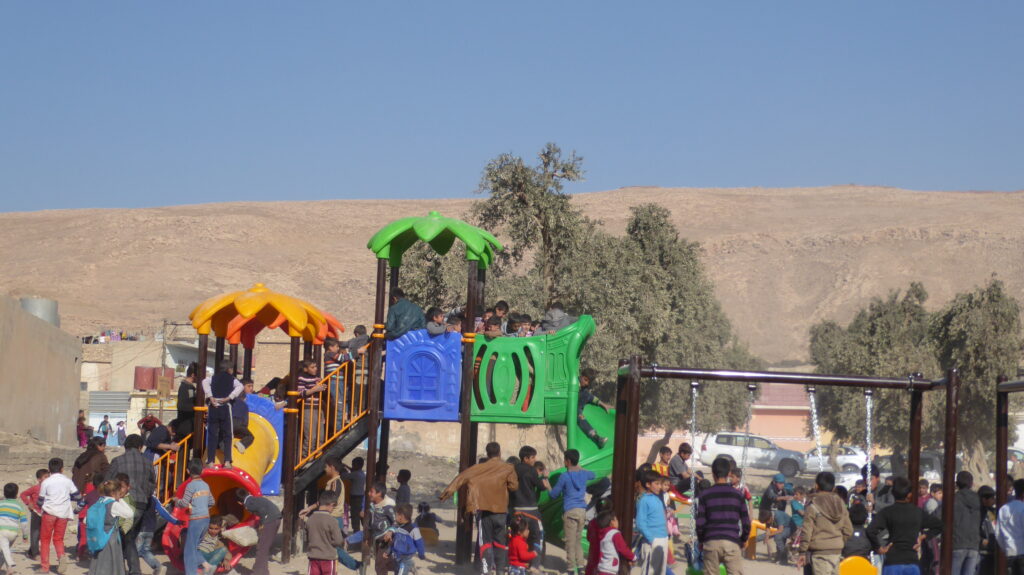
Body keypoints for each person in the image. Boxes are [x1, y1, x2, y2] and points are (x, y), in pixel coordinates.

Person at [439, 442, 518, 575]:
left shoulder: (478, 468)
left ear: (487, 454)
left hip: (484, 511)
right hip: (501, 512)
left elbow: (461, 478)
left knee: (485, 543)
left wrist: (445, 494)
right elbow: (514, 486)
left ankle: (486, 571)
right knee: (500, 543)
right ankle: (500, 571)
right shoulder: (508, 468)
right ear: (499, 453)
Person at [866, 476, 943, 575]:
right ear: (909, 494)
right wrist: (923, 537)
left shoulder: (887, 512)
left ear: (893, 493)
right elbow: (940, 525)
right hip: (912, 560)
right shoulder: (917, 512)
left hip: (892, 561)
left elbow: (870, 531)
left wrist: (879, 548)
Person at [107, 433, 157, 575]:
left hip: (122, 503)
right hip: (141, 504)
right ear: (140, 447)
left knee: (122, 536)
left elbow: (108, 481)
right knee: (129, 536)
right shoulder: (147, 462)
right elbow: (152, 483)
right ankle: (133, 570)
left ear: (125, 446)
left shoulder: (117, 461)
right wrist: (145, 495)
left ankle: (124, 569)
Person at [300, 458, 359, 571]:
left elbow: (328, 501)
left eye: (326, 467)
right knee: (332, 548)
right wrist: (310, 508)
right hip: (332, 518)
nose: (325, 469)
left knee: (335, 549)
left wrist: (310, 508)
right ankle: (356, 565)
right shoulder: (333, 482)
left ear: (332, 467)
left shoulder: (335, 483)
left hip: (333, 518)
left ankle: (356, 565)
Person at [696, 457, 750, 575]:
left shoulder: (705, 495)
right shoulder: (738, 495)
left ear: (713, 473)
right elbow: (746, 522)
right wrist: (742, 540)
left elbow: (700, 523)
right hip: (731, 541)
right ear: (729, 473)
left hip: (711, 541)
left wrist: (701, 540)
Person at [796, 472, 852, 575]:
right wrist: (837, 541)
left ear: (816, 486)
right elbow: (848, 530)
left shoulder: (813, 504)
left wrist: (802, 551)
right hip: (837, 552)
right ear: (833, 487)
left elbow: (807, 531)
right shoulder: (840, 504)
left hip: (820, 554)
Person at [549, 449, 595, 575]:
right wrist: (581, 468)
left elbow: (553, 495)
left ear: (568, 461)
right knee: (577, 541)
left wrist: (548, 486)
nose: (564, 461)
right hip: (582, 511)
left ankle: (570, 569)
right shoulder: (583, 474)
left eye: (564, 459)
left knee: (570, 542)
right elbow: (593, 475)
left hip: (570, 511)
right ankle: (580, 568)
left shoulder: (564, 476)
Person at [37, 457, 81, 574]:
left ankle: (45, 567)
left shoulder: (46, 482)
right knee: (58, 539)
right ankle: (61, 556)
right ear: (62, 469)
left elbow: (40, 501)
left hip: (49, 513)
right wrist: (66, 497)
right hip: (63, 514)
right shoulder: (67, 481)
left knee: (45, 540)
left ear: (49, 469)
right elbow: (78, 496)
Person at [509, 445, 550, 569]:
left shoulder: (513, 470)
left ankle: (518, 564)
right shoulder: (531, 470)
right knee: (537, 537)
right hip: (531, 511)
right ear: (525, 458)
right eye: (532, 457)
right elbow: (541, 486)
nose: (534, 460)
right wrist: (545, 477)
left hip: (516, 510)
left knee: (517, 538)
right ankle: (535, 566)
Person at [203, 360, 244, 469]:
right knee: (227, 434)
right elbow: (240, 386)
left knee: (212, 434)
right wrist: (230, 397)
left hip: (213, 406)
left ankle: (210, 461)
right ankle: (227, 461)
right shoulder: (232, 379)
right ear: (229, 369)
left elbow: (204, 382)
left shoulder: (213, 378)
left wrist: (210, 396)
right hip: (225, 406)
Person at [88, 479, 134, 575]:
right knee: (111, 565)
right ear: (114, 493)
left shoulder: (99, 502)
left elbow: (86, 519)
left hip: (99, 537)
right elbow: (130, 514)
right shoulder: (114, 504)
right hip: (110, 538)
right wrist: (120, 500)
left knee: (99, 563)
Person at [176, 459, 213, 575]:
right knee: (195, 547)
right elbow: (212, 502)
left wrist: (176, 501)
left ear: (188, 471)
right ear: (202, 471)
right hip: (206, 519)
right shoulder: (206, 485)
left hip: (196, 520)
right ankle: (206, 565)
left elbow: (184, 503)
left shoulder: (190, 485)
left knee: (189, 551)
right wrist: (203, 507)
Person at [235, 489, 282, 575]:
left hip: (270, 520)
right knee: (265, 546)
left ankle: (259, 572)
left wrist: (262, 524)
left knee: (262, 548)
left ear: (239, 503)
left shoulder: (248, 504)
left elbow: (262, 511)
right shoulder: (255, 499)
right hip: (276, 518)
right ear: (248, 493)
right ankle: (261, 569)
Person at [306, 491, 350, 575]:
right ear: (331, 505)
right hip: (328, 558)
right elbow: (338, 541)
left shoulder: (310, 519)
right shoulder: (332, 521)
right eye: (334, 507)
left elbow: (308, 538)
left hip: (313, 557)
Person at [636, 469, 669, 575]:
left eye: (660, 484)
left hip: (663, 538)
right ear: (648, 484)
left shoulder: (657, 498)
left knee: (660, 570)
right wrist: (651, 539)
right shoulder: (644, 500)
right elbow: (640, 523)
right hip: (652, 540)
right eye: (657, 484)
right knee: (650, 570)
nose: (659, 486)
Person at [137, 495, 181, 575]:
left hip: (140, 529)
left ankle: (133, 571)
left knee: (134, 551)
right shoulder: (153, 498)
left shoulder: (137, 495)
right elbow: (163, 512)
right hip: (150, 529)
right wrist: (176, 521)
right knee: (144, 550)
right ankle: (157, 566)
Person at [758, 472, 793, 564]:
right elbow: (774, 497)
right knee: (770, 534)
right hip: (766, 514)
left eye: (783, 483)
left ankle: (780, 555)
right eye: (780, 483)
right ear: (774, 482)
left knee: (779, 534)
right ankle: (750, 542)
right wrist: (784, 497)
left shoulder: (783, 490)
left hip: (777, 515)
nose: (782, 485)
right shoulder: (770, 489)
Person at [952, 471, 982, 575]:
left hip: (957, 542)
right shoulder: (978, 499)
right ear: (971, 483)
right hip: (974, 544)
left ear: (956, 484)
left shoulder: (953, 498)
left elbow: (937, 515)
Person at [296, 358, 326, 460]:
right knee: (311, 437)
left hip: (318, 407)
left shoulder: (317, 378)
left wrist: (322, 386)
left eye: (316, 367)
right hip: (308, 408)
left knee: (320, 436)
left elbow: (322, 396)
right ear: (306, 369)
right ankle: (306, 458)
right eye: (312, 367)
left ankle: (318, 457)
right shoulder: (301, 378)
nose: (315, 369)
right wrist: (315, 389)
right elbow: (300, 393)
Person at [365, 482, 397, 575]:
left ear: (379, 493)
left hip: (386, 539)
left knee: (379, 565)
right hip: (376, 538)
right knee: (386, 563)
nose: (369, 493)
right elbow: (369, 523)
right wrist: (367, 537)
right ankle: (404, 565)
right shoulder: (373, 505)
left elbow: (396, 521)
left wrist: (390, 531)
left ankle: (404, 565)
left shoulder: (388, 507)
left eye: (371, 492)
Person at [577, 368, 611, 448]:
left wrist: (603, 405)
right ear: (581, 376)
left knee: (580, 414)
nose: (586, 383)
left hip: (577, 412)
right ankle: (596, 438)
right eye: (585, 380)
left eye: (588, 382)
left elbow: (592, 398)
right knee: (578, 414)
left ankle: (597, 438)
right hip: (569, 410)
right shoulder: (574, 382)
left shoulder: (584, 391)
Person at [390, 503, 426, 575]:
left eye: (396, 515)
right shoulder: (397, 527)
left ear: (401, 516)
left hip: (406, 558)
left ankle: (410, 564)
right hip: (396, 556)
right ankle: (411, 566)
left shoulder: (413, 529)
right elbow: (394, 541)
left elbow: (419, 542)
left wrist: (421, 554)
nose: (395, 517)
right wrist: (388, 551)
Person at [997, 478, 1024, 575]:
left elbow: (998, 534)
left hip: (1009, 552)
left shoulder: (1003, 509)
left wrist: (1005, 548)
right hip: (1021, 552)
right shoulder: (1022, 508)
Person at [0, 482, 29, 572]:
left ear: (4, 493)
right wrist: (25, 535)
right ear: (16, 494)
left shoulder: (1, 504)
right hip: (13, 533)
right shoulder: (19, 506)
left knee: (5, 548)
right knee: (5, 549)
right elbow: (24, 523)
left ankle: (10, 566)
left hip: (2, 531)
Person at [21, 468, 48, 560]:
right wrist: (28, 503)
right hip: (36, 513)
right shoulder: (35, 488)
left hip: (46, 513)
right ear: (39, 479)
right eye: (45, 477)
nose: (48, 479)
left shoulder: (50, 488)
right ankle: (35, 553)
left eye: (48, 477)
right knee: (35, 533)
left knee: (42, 534)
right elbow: (23, 494)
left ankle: (31, 551)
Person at [341, 457, 366, 533]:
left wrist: (342, 469)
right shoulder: (361, 473)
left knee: (355, 518)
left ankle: (356, 533)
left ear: (357, 465)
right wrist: (346, 466)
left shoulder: (356, 474)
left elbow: (344, 476)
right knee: (361, 518)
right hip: (360, 497)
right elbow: (352, 470)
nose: (352, 466)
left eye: (353, 464)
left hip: (355, 499)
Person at [175, 362, 199, 439]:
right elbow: (181, 406)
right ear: (193, 375)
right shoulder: (184, 387)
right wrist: (195, 408)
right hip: (185, 429)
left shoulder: (191, 388)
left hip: (190, 427)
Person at [232, 379, 256, 454]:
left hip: (228, 422)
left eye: (252, 386)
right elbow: (245, 420)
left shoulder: (232, 400)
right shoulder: (244, 404)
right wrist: (244, 427)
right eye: (249, 386)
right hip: (238, 423)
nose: (251, 388)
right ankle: (241, 444)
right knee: (250, 436)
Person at [978, 485, 997, 575]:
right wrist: (981, 540)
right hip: (982, 551)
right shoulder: (977, 513)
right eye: (992, 498)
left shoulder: (993, 511)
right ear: (984, 499)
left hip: (993, 550)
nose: (994, 501)